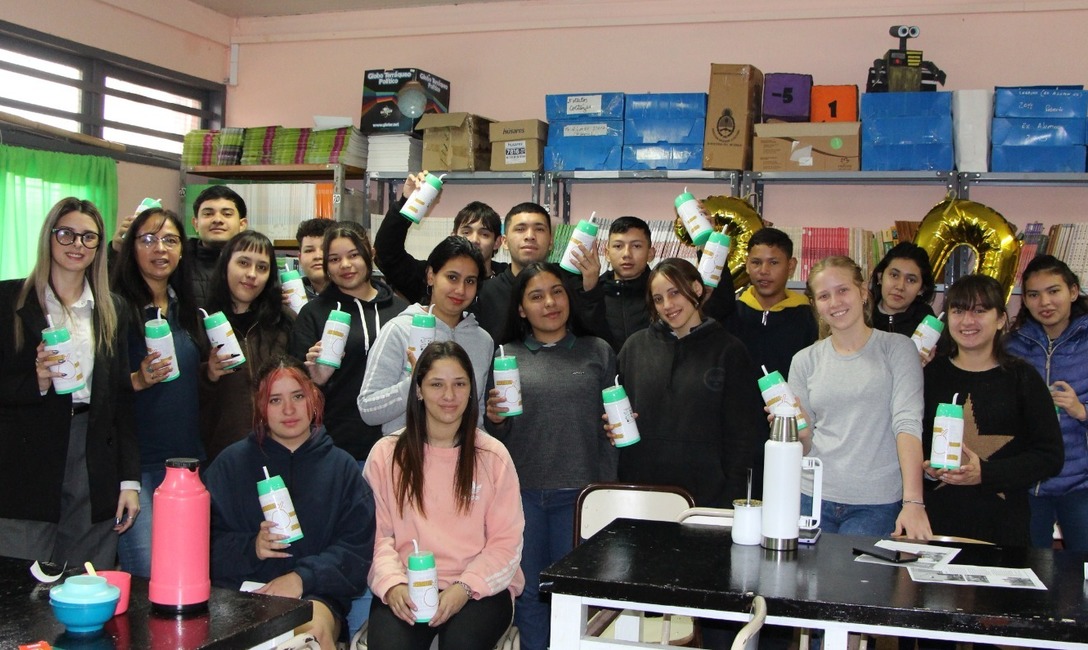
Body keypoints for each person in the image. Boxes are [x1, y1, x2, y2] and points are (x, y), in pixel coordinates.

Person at [484, 262, 617, 650]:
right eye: (536, 296)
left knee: (571, 592)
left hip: (578, 494)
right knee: (528, 592)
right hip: (521, 495)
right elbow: (496, 433)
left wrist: (603, 489)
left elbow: (612, 430)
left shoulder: (598, 351)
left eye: (557, 292)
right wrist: (495, 420)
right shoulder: (505, 355)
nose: (550, 302)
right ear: (521, 309)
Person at [0, 197, 138, 568]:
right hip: (25, 458)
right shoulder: (8, 299)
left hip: (92, 453)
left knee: (85, 579)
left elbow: (121, 401)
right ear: (49, 237)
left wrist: (129, 482)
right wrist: (36, 381)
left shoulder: (112, 309)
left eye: (88, 238)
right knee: (19, 586)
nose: (77, 245)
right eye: (67, 234)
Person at [205, 355, 375, 650]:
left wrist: (301, 578)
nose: (289, 409)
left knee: (303, 639)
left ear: (313, 398)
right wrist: (251, 548)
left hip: (315, 599)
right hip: (240, 597)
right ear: (260, 406)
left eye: (298, 396)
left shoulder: (342, 469)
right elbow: (201, 547)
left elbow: (356, 553)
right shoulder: (228, 466)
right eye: (274, 400)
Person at [364, 341, 524, 649]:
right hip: (407, 587)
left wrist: (464, 587)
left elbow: (506, 543)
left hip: (479, 590)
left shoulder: (492, 456)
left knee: (461, 643)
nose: (449, 396)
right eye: (437, 384)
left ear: (470, 389)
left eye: (459, 384)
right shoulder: (386, 455)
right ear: (419, 390)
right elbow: (374, 536)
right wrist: (393, 585)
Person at [788, 256, 931, 539]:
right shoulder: (804, 360)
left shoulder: (898, 350)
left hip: (876, 503)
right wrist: (794, 429)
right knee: (809, 583)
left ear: (863, 292)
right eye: (824, 296)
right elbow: (803, 446)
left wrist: (913, 501)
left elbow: (908, 424)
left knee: (857, 583)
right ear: (815, 304)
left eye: (843, 290)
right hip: (811, 498)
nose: (835, 302)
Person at [920, 274, 1064, 546]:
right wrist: (928, 471)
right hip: (934, 527)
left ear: (1000, 319)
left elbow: (1050, 456)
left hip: (1003, 529)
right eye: (958, 310)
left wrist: (985, 474)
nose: (967, 321)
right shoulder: (928, 375)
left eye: (980, 310)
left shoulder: (1023, 378)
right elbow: (910, 442)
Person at [615, 258, 765, 508]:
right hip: (642, 491)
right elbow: (616, 411)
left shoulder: (729, 350)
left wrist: (733, 496)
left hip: (709, 496)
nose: (668, 305)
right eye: (658, 299)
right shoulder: (635, 347)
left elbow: (743, 435)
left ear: (696, 289)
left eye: (674, 293)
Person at [110, 207, 205, 577]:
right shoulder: (115, 308)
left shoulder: (188, 309)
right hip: (140, 466)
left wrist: (209, 373)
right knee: (148, 574)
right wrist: (136, 379)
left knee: (185, 574)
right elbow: (98, 387)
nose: (159, 249)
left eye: (170, 240)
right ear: (130, 247)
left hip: (188, 464)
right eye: (148, 239)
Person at [290, 222, 409, 462]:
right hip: (336, 447)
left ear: (369, 254)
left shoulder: (401, 311)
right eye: (334, 259)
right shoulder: (313, 313)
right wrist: (315, 380)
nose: (345, 265)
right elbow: (294, 387)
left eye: (353, 255)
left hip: (397, 444)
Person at [359, 237, 494, 435]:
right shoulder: (399, 330)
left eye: (470, 281)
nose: (460, 290)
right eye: (452, 277)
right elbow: (367, 409)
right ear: (431, 276)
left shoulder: (483, 341)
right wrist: (413, 385)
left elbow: (477, 413)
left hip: (462, 459)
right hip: (407, 457)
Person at [1006, 255, 1088, 551]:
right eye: (1034, 294)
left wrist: (1082, 411)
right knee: (1028, 572)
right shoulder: (1012, 346)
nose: (1045, 302)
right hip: (1028, 484)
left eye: (1054, 291)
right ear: (1024, 300)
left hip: (1080, 483)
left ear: (1073, 292)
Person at [199, 231, 294, 461]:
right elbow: (187, 401)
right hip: (222, 455)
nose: (251, 275)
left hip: (279, 450)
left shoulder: (284, 322)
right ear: (225, 265)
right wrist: (208, 375)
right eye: (243, 263)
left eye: (262, 267)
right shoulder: (201, 322)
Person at [473, 202, 609, 344]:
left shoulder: (570, 284)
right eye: (520, 229)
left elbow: (597, 343)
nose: (530, 236)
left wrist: (591, 290)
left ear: (551, 242)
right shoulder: (486, 292)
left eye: (539, 229)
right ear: (504, 242)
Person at [600, 216, 737, 351]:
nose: (626, 254)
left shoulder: (668, 290)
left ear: (651, 253)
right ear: (606, 253)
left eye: (636, 246)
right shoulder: (592, 293)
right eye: (618, 246)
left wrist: (709, 244)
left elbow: (721, 305)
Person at [375, 171, 507, 304]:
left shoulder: (507, 279)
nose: (474, 240)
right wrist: (409, 203)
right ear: (453, 236)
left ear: (497, 242)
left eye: (484, 234)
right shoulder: (431, 275)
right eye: (466, 232)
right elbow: (387, 255)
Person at [729, 227, 817, 379]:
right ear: (747, 265)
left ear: (791, 267)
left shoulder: (809, 318)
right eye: (756, 262)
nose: (764, 271)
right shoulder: (731, 314)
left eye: (774, 262)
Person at [187, 185, 249, 307]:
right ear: (195, 224)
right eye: (208, 214)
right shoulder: (179, 262)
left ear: (242, 224)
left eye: (226, 214)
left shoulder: (254, 264)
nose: (217, 220)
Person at [869, 242, 936, 337]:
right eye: (894, 275)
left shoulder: (929, 326)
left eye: (911, 280)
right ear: (880, 277)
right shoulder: (860, 317)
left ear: (921, 289)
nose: (900, 286)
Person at [295, 218, 335, 300]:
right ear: (300, 258)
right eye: (309, 250)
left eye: (325, 249)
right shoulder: (290, 296)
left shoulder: (353, 295)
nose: (317, 256)